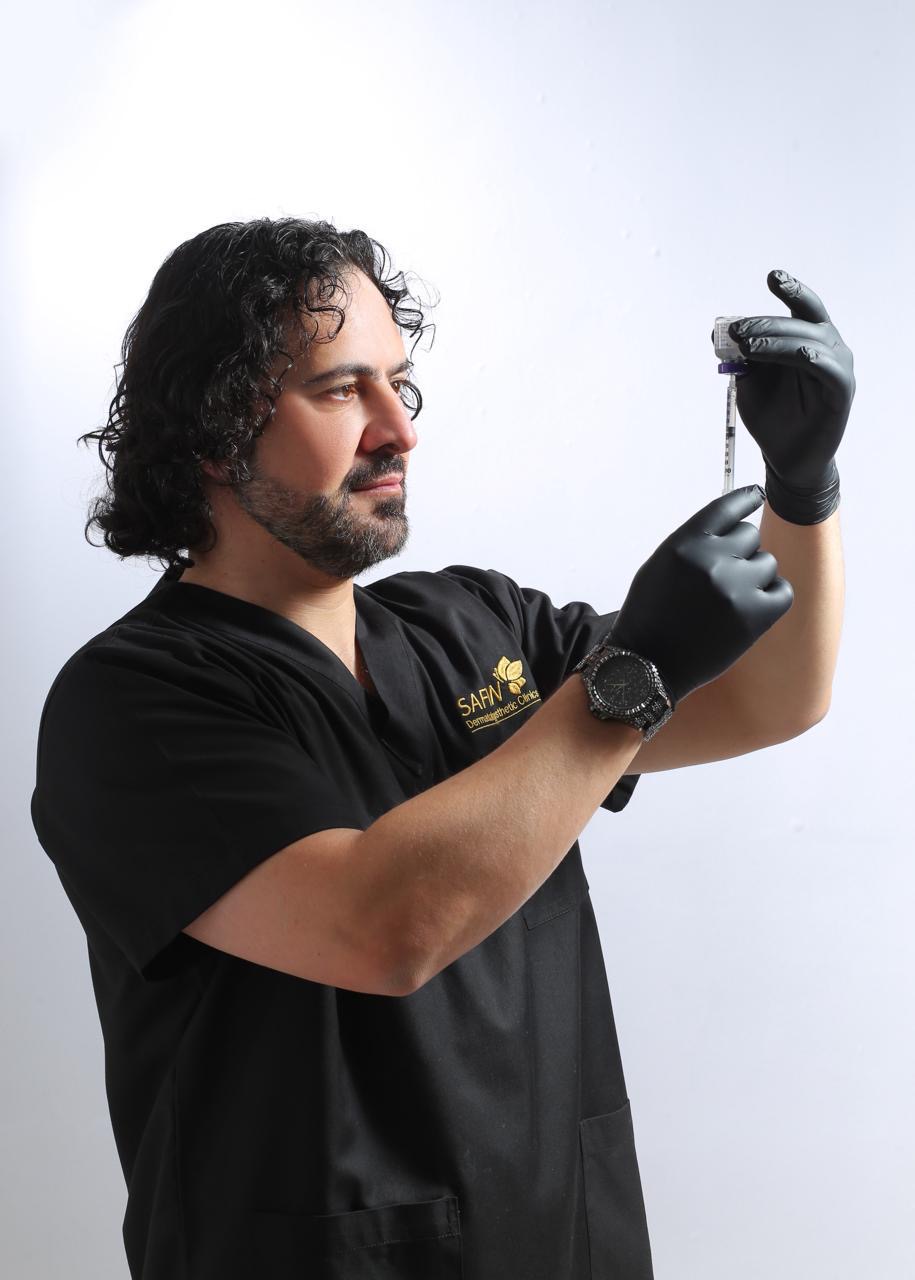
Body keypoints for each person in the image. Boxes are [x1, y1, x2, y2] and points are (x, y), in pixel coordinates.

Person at [29, 218, 852, 1280]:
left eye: (400, 384)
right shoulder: (132, 701)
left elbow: (770, 698)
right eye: (341, 390)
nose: (398, 431)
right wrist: (631, 673)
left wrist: (803, 491)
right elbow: (384, 927)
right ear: (214, 435)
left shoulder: (478, 623)